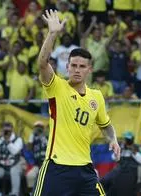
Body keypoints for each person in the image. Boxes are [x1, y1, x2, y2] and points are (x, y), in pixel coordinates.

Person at [32, 10, 120, 196]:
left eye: (82, 66)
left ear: (90, 69)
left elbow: (106, 125)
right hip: (56, 167)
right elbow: (42, 64)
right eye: (73, 65)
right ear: (67, 67)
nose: (77, 70)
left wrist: (113, 139)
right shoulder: (57, 86)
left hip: (85, 169)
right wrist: (52, 33)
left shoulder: (96, 96)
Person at [100, 131, 141, 196]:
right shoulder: (121, 147)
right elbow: (113, 158)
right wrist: (119, 151)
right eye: (126, 139)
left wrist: (134, 152)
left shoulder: (139, 148)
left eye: (128, 140)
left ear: (132, 139)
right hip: (119, 169)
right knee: (104, 180)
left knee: (122, 183)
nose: (126, 141)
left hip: (132, 170)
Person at [0, 122, 23, 196]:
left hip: (15, 164)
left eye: (9, 131)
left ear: (12, 130)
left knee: (14, 171)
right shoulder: (0, 139)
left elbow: (14, 151)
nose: (7, 133)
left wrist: (8, 141)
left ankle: (15, 194)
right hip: (3, 165)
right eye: (5, 131)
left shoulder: (18, 139)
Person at [26, 121, 48, 191]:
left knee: (45, 177)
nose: (38, 129)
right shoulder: (33, 138)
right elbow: (28, 148)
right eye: (36, 127)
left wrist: (43, 135)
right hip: (37, 164)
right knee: (30, 175)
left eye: (40, 127)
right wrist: (32, 135)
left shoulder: (47, 137)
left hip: (46, 163)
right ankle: (31, 193)